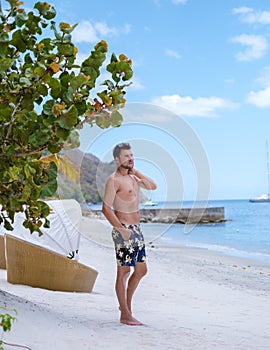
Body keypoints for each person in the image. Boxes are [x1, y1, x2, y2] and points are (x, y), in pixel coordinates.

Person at [102, 142, 157, 326]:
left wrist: (137, 172)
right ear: (117, 159)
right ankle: (125, 313)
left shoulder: (133, 179)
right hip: (123, 228)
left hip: (137, 230)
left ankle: (126, 308)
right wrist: (121, 230)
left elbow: (152, 186)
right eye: (126, 156)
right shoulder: (114, 180)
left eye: (132, 155)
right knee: (124, 271)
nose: (130, 158)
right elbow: (106, 209)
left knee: (141, 270)